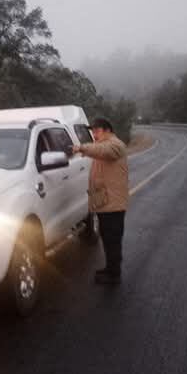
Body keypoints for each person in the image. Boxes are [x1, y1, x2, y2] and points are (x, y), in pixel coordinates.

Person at [72, 117, 129, 284]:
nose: (94, 134)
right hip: (106, 202)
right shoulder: (103, 145)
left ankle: (114, 275)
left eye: (97, 131)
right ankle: (110, 268)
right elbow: (98, 150)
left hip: (113, 204)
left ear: (107, 130)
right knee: (107, 237)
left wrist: (81, 147)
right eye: (93, 131)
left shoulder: (115, 145)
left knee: (112, 239)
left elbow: (102, 151)